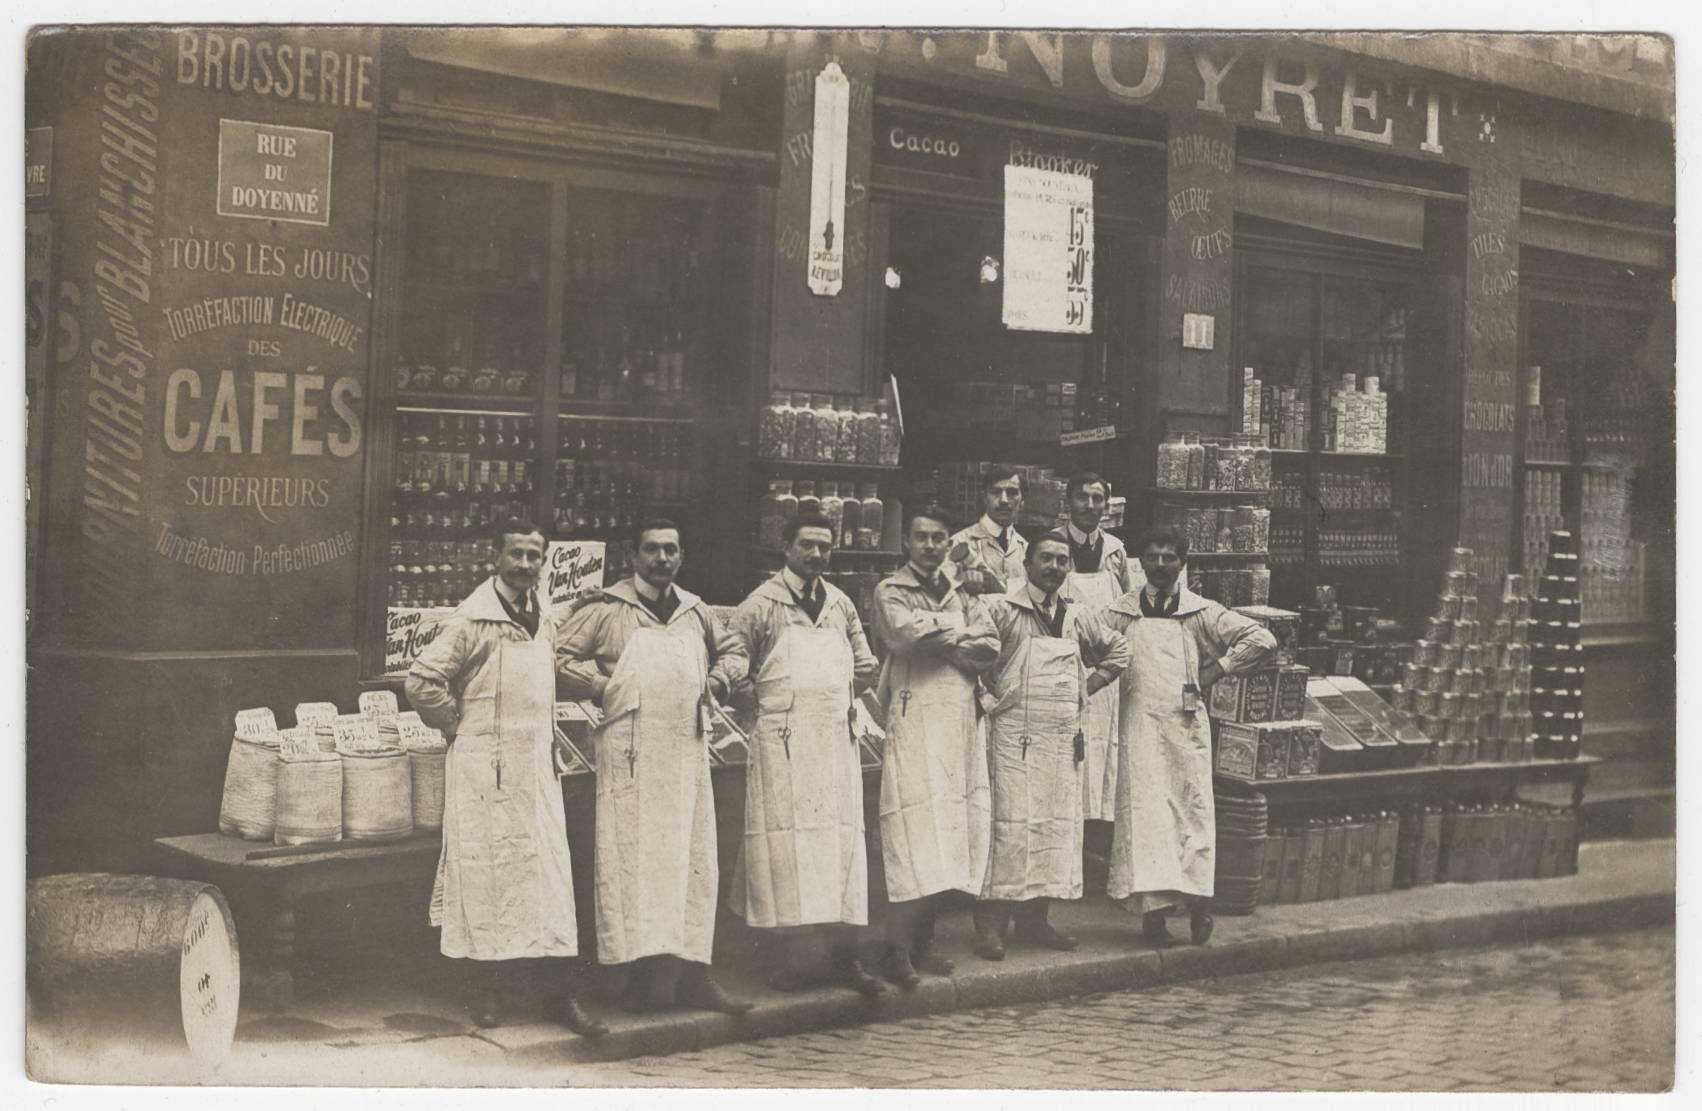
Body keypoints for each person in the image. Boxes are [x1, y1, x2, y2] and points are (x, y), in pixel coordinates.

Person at [406, 520, 606, 1037]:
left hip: (535, 769)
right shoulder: (473, 620)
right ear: (495, 557)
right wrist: (456, 724)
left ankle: (559, 995)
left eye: (533, 556)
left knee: (547, 878)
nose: (524, 564)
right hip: (482, 771)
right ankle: (487, 992)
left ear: (543, 563)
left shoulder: (544, 618)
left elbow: (561, 641)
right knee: (486, 876)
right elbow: (422, 680)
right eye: (515, 554)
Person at [554, 518, 752, 1015]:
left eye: (671, 550)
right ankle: (635, 979)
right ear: (634, 556)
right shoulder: (606, 610)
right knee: (634, 866)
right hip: (631, 757)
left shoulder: (695, 611)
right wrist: (602, 686)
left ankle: (693, 977)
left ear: (681, 556)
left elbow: (734, 649)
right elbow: (554, 656)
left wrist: (723, 682)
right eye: (652, 550)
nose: (662, 559)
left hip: (685, 754)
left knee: (690, 863)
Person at [1094, 524, 1277, 946]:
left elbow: (1261, 639)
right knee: (1147, 821)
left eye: (1169, 558)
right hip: (1138, 729)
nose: (1160, 566)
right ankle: (1153, 918)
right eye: (1153, 557)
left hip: (1185, 729)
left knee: (1192, 817)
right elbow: (1085, 638)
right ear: (1141, 563)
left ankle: (1199, 910)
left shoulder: (1200, 612)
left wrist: (1216, 670)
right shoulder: (1121, 612)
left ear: (1182, 563)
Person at [728, 513, 884, 997]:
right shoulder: (761, 605)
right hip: (784, 747)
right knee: (785, 852)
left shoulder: (839, 604)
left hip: (834, 743)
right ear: (786, 547)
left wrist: (834, 698)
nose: (816, 555)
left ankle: (844, 959)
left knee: (839, 850)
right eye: (807, 546)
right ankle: (787, 961)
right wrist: (767, 708)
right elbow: (733, 667)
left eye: (824, 546)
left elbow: (865, 663)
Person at [974, 536, 1130, 960]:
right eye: (1046, 558)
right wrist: (986, 698)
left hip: (1062, 739)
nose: (1054, 566)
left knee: (1053, 827)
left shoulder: (1077, 615)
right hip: (1012, 739)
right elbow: (971, 657)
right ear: (1027, 563)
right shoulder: (1002, 608)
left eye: (1062, 560)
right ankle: (990, 925)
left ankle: (1034, 922)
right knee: (1008, 828)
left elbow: (1118, 651)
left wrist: (1088, 686)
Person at [872, 504, 1001, 988]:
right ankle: (895, 949)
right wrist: (956, 635)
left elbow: (990, 646)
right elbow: (902, 637)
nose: (929, 546)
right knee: (912, 830)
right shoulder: (891, 590)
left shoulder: (963, 591)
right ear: (907, 542)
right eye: (921, 537)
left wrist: (938, 635)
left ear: (950, 544)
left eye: (938, 538)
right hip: (913, 720)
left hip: (958, 725)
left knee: (946, 835)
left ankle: (923, 945)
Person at [1049, 472, 1145, 887]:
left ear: (1107, 506)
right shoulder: (1051, 547)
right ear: (1068, 501)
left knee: (1103, 759)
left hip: (1105, 669)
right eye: (1082, 497)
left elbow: (1130, 604)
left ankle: (1095, 859)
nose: (1090, 506)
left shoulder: (1117, 552)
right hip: (1063, 661)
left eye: (1097, 499)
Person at [946, 464, 1028, 594]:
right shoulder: (957, 544)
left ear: (1022, 502)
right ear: (984, 498)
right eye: (996, 492)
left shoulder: (1026, 550)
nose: (1004, 500)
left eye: (1012, 493)